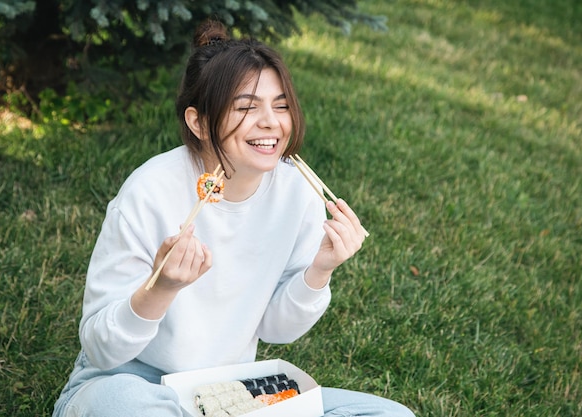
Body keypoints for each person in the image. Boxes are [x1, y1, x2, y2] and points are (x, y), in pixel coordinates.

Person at [52, 20, 414, 417]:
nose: (271, 122)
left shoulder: (297, 193)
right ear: (200, 122)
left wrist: (319, 271)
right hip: (130, 384)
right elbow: (102, 348)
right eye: (246, 107)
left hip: (232, 395)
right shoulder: (149, 193)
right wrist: (161, 288)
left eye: (280, 105)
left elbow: (277, 329)